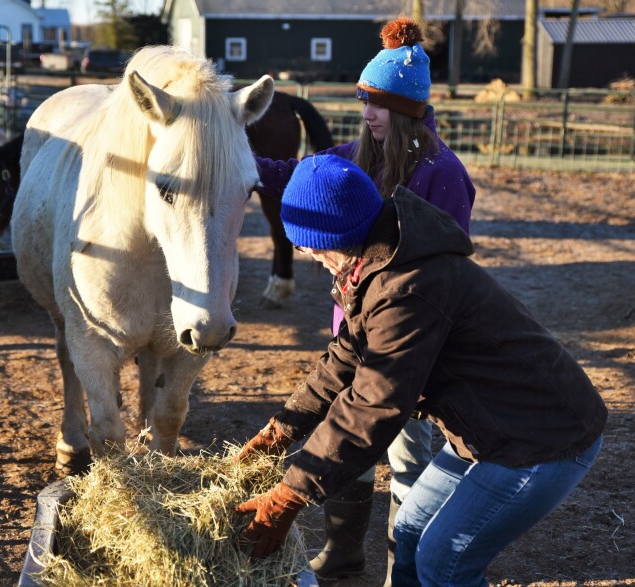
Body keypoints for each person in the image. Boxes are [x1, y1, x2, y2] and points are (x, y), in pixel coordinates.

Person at [234, 154, 607, 585]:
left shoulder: (407, 288)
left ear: (333, 234)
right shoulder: (376, 263)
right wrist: (281, 428)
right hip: (491, 427)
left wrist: (290, 494)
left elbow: (374, 403)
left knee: (443, 561)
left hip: (540, 438)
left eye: (308, 247)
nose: (308, 257)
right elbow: (344, 357)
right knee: (410, 529)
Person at [252, 16, 476, 581]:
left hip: (410, 340)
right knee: (341, 438)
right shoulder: (358, 155)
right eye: (364, 101)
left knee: (405, 456)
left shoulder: (442, 173)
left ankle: (407, 565)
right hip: (352, 329)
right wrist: (236, 160)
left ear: (407, 109)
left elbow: (442, 263)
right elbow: (298, 174)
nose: (368, 113)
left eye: (378, 104)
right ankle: (345, 551)